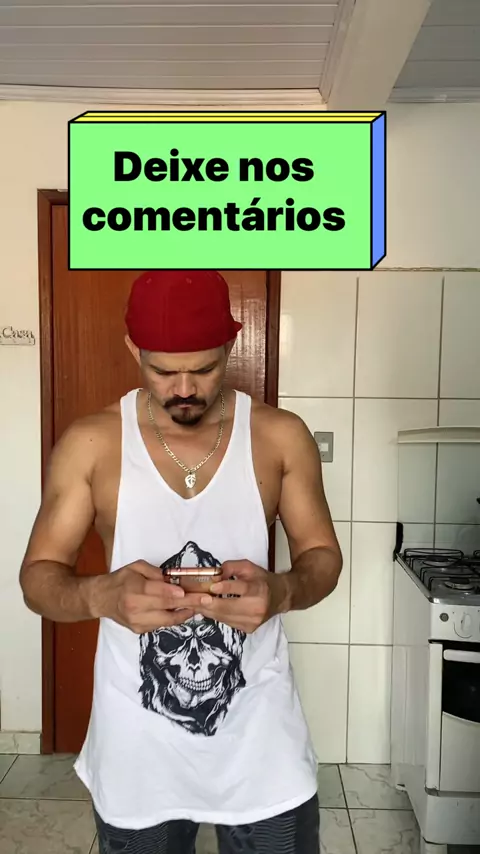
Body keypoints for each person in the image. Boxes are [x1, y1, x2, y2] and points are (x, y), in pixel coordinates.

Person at [20, 269, 342, 854]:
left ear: (230, 347)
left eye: (205, 369)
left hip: (261, 741)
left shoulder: (279, 437)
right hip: (137, 748)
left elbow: (322, 556)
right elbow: (38, 579)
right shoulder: (93, 443)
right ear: (134, 351)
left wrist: (284, 591)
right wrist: (99, 595)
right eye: (164, 372)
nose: (185, 388)